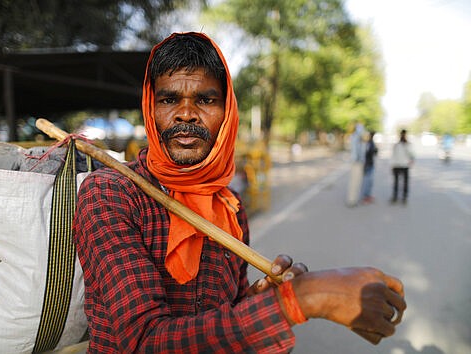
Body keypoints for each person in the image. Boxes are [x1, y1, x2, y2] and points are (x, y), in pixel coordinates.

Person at [73, 32, 406, 353]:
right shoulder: (110, 194)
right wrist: (302, 299)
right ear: (151, 107)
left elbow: (220, 318)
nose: (186, 113)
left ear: (227, 112)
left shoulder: (229, 205)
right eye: (169, 99)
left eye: (205, 99)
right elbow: (145, 341)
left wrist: (258, 299)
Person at [390, 129, 414, 204]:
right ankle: (395, 197)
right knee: (397, 182)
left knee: (404, 182)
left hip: (404, 165)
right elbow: (393, 156)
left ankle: (404, 197)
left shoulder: (407, 145)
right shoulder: (397, 145)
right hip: (397, 165)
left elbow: (411, 155)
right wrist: (392, 165)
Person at [346, 122, 365, 207]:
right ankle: (352, 200)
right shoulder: (356, 137)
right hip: (356, 162)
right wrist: (359, 160)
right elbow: (357, 151)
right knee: (354, 181)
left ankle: (354, 199)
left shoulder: (356, 137)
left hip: (357, 162)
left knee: (356, 181)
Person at [361, 130, 378, 204]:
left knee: (370, 182)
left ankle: (368, 196)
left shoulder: (371, 143)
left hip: (370, 164)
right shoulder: (367, 143)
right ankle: (365, 197)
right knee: (367, 182)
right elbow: (366, 153)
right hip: (367, 165)